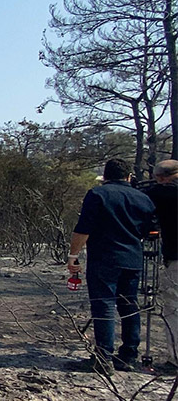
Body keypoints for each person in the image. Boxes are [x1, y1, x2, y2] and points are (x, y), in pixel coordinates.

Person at [68, 159, 156, 373]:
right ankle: (128, 355)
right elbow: (150, 231)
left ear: (105, 176)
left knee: (104, 304)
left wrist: (73, 255)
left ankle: (103, 357)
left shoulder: (98, 195)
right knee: (129, 305)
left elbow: (84, 228)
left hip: (105, 258)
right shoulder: (144, 198)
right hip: (133, 259)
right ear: (128, 177)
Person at [144, 160, 178, 372]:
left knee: (173, 308)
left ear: (161, 178)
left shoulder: (165, 194)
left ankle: (175, 359)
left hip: (176, 259)